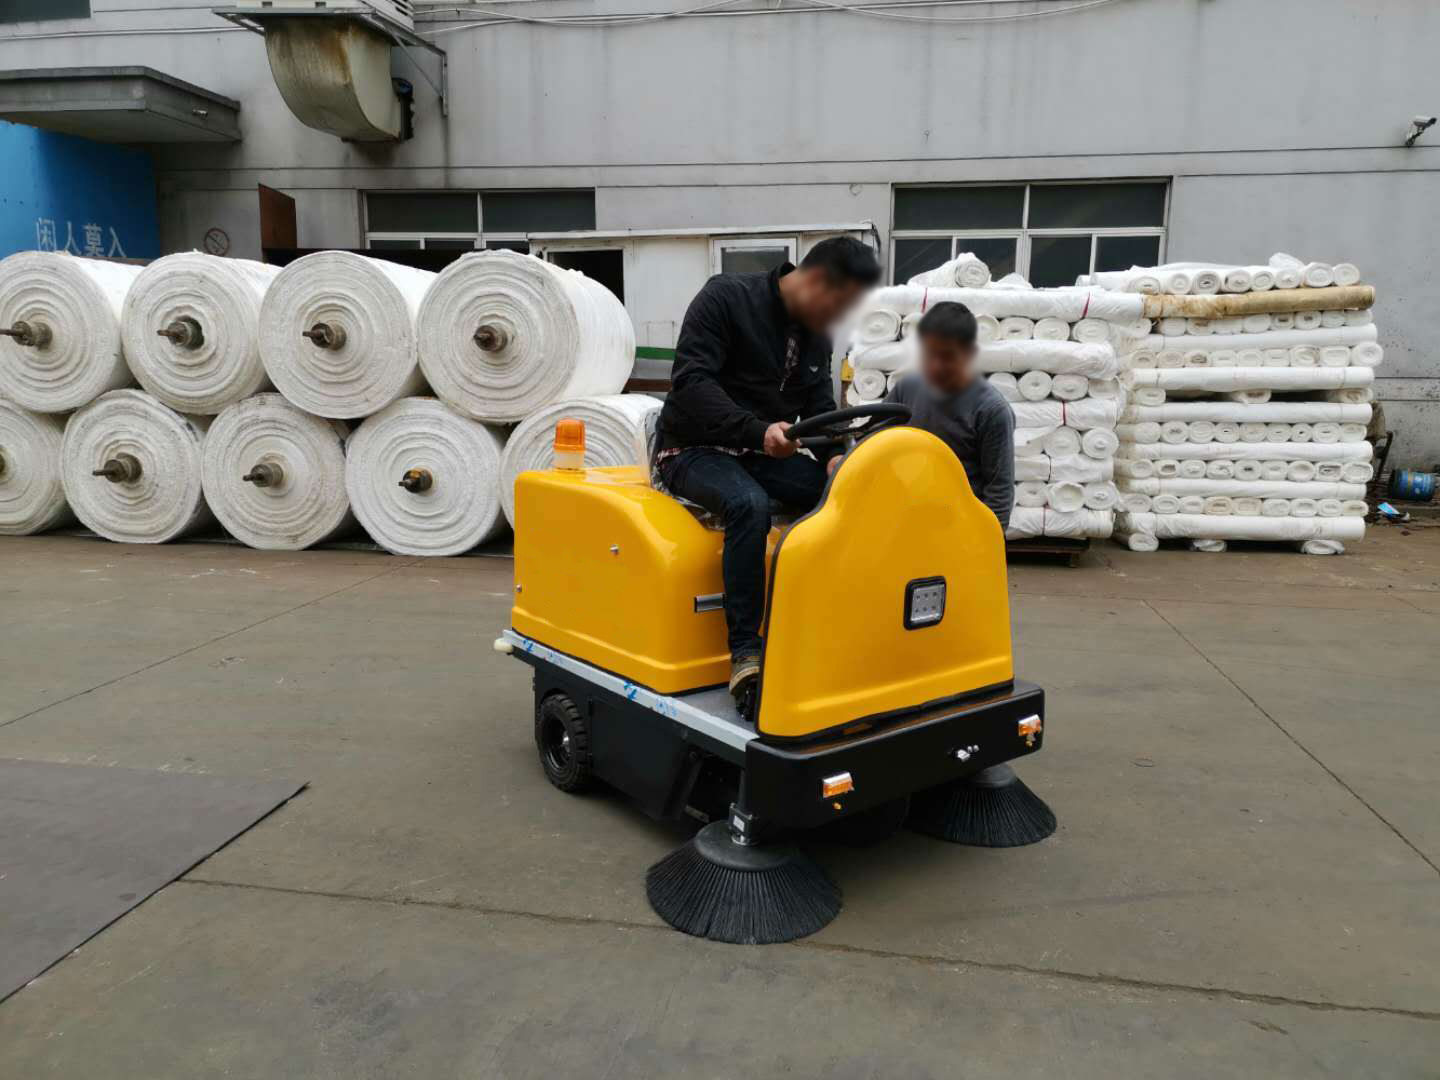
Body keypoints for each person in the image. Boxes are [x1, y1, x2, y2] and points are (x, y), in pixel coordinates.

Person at [655, 236, 882, 703]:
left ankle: (823, 621)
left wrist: (835, 455)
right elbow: (692, 383)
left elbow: (819, 406)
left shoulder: (816, 333)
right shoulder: (725, 298)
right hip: (691, 449)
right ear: (815, 280)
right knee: (748, 504)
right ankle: (746, 653)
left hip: (758, 452)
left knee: (840, 491)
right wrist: (757, 431)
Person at [884, 301, 1014, 529]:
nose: (935, 366)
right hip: (905, 513)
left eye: (947, 357)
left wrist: (988, 540)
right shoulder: (907, 388)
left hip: (958, 524)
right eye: (929, 354)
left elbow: (999, 489)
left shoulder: (991, 409)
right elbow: (876, 439)